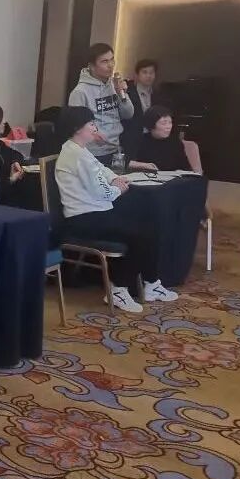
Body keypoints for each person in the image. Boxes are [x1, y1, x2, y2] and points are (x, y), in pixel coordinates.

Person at [55, 106, 178, 313]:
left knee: (150, 221)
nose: (95, 128)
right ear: (77, 128)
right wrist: (117, 190)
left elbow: (101, 169)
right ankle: (119, 289)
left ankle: (152, 283)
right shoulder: (75, 154)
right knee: (139, 234)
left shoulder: (80, 150)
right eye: (91, 124)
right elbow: (101, 191)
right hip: (83, 218)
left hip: (97, 211)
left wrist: (114, 178)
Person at [67, 43, 134, 165]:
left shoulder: (114, 85)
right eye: (104, 61)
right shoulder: (80, 92)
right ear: (92, 66)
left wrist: (122, 94)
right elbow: (75, 124)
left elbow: (128, 114)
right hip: (92, 152)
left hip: (115, 149)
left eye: (112, 60)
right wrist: (94, 133)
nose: (110, 65)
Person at [130, 106, 191, 172]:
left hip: (172, 177)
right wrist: (143, 165)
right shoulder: (140, 141)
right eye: (164, 123)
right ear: (151, 124)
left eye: (170, 122)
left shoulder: (175, 142)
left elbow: (186, 168)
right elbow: (128, 163)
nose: (168, 127)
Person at [124, 59, 160, 158]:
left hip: (152, 139)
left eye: (151, 73)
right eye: (145, 72)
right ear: (137, 74)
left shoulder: (158, 94)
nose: (148, 76)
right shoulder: (129, 92)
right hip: (132, 138)